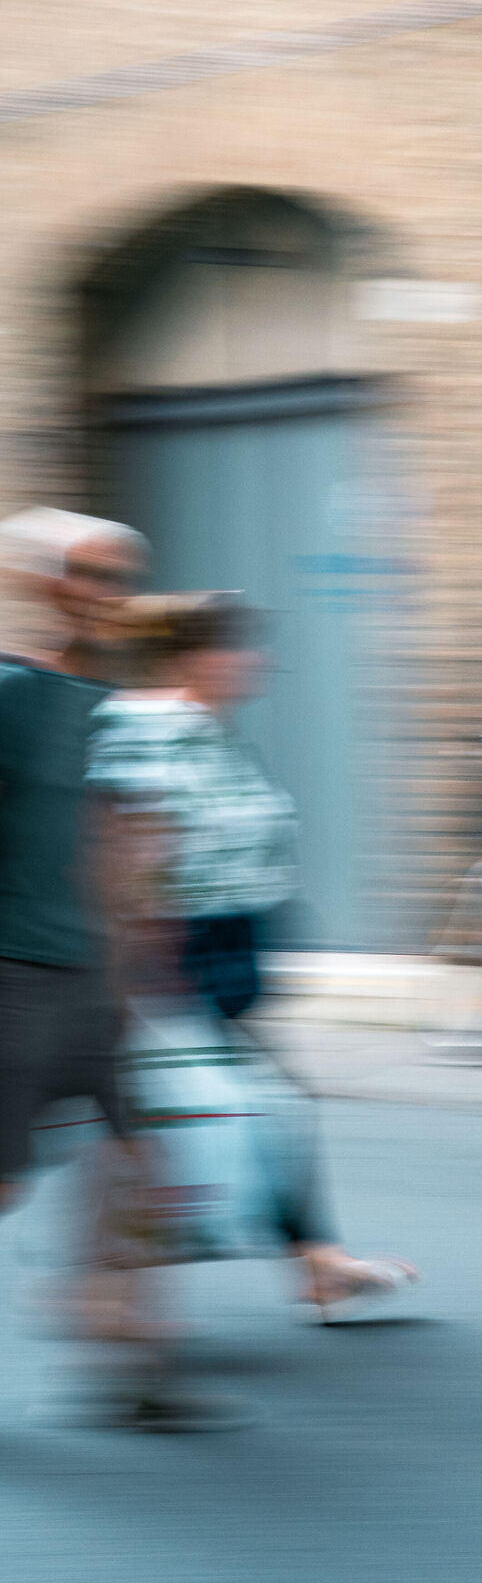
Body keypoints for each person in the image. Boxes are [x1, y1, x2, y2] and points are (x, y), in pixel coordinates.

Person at [89, 591, 417, 1315]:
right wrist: (141, 966)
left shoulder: (208, 731)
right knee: (225, 1111)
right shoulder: (151, 730)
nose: (258, 661)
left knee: (254, 1108)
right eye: (240, 647)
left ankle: (310, 1263)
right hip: (175, 954)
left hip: (222, 950)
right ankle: (115, 1285)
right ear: (195, 657)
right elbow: (128, 848)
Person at [0, 508, 164, 1371]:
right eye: (89, 573)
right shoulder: (11, 692)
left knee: (143, 1151)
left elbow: (126, 839)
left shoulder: (121, 704)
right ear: (46, 584)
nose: (107, 594)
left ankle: (129, 1345)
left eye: (122, 579)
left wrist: (134, 954)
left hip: (95, 973)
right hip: (18, 971)